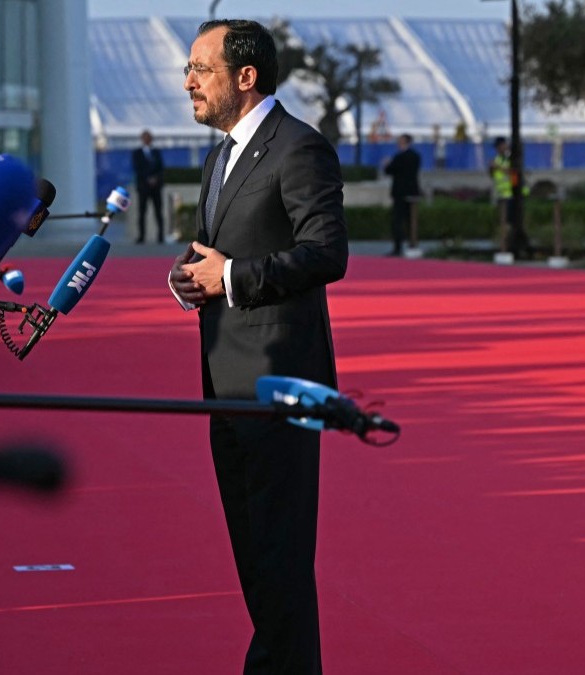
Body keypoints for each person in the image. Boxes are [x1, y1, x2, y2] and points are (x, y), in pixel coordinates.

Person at [167, 19, 348, 674]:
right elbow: (215, 247)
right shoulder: (222, 154)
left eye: (200, 69)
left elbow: (327, 252)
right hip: (226, 382)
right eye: (187, 69)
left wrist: (235, 278)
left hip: (281, 380)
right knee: (256, 556)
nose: (188, 81)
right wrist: (188, 277)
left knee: (280, 555)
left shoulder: (298, 147)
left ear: (246, 77)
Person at [382, 133, 421, 256]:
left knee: (397, 221)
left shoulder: (399, 157)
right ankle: (412, 245)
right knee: (410, 220)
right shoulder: (416, 156)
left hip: (400, 193)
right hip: (412, 192)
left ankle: (398, 248)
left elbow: (389, 171)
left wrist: (387, 163)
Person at [132, 130, 166, 243]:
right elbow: (137, 169)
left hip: (156, 188)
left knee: (158, 212)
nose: (147, 140)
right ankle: (141, 236)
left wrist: (156, 178)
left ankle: (160, 236)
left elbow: (161, 168)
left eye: (149, 137)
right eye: (145, 138)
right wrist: (148, 179)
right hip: (143, 188)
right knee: (142, 212)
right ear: (142, 139)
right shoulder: (137, 153)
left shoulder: (156, 152)